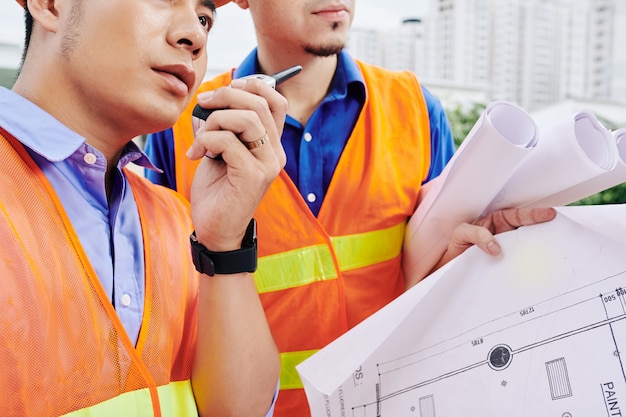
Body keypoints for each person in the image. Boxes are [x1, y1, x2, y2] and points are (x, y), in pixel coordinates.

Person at [143, 0, 556, 415]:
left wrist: (462, 262)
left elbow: (430, 284)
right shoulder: (186, 126)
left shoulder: (414, 108)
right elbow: (168, 316)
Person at [0, 0, 288, 415]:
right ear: (50, 5)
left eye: (205, 17)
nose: (195, 35)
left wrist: (224, 244)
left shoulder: (177, 221)